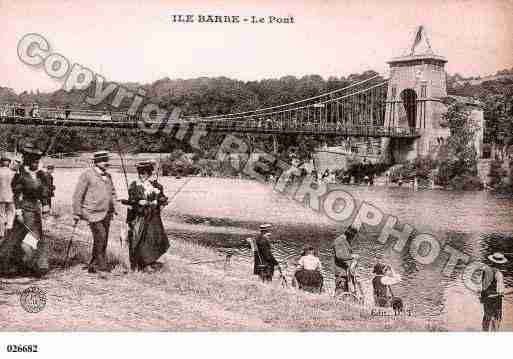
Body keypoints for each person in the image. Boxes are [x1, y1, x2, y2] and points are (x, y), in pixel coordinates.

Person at [0, 143, 50, 277]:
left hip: (36, 210)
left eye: (37, 161)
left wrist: (45, 204)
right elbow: (16, 195)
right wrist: (18, 212)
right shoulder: (20, 176)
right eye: (34, 162)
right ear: (28, 162)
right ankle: (6, 264)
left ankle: (37, 266)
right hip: (24, 210)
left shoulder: (40, 176)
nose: (37, 164)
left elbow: (44, 191)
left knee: (36, 237)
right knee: (16, 237)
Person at [72, 151, 117, 274]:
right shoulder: (87, 175)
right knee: (101, 237)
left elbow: (112, 193)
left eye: (107, 160)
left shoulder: (108, 176)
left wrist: (115, 207)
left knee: (103, 239)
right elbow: (78, 194)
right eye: (103, 160)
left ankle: (93, 265)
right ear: (96, 162)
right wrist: (77, 212)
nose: (106, 163)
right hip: (92, 212)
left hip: (106, 213)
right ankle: (102, 267)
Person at [125, 161, 169, 272]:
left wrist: (159, 202)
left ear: (149, 173)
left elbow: (163, 199)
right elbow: (131, 201)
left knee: (154, 238)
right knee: (140, 239)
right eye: (139, 173)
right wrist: (139, 202)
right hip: (140, 217)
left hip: (153, 217)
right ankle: (143, 264)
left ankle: (151, 261)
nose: (141, 176)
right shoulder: (134, 185)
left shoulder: (157, 186)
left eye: (144, 173)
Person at [480, 252, 507, 331]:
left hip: (486, 298)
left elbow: (482, 285)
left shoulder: (485, 270)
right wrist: (502, 293)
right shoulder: (499, 274)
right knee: (496, 319)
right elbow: (500, 291)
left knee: (486, 317)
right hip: (495, 300)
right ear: (500, 264)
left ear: (492, 261)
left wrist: (483, 296)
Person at [333, 226, 359, 294]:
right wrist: (352, 256)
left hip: (348, 273)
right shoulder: (339, 241)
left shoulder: (346, 241)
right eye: (353, 236)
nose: (353, 238)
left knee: (349, 294)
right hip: (341, 273)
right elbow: (339, 255)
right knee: (340, 293)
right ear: (350, 234)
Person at [0, 154, 15, 242]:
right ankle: (9, 228)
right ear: (9, 163)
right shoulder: (12, 173)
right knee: (11, 212)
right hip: (10, 195)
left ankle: (1, 232)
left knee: (1, 214)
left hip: (0, 196)